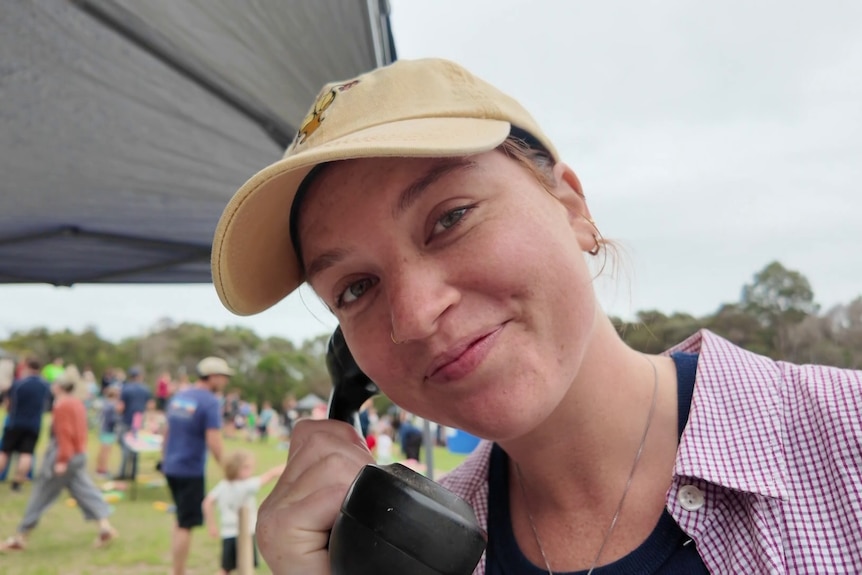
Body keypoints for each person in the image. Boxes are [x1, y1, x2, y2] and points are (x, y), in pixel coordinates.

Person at [208, 58, 862, 574]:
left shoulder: (846, 441)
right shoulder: (417, 553)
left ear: (572, 205)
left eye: (450, 217)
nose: (415, 313)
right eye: (354, 288)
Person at [0, 373, 118, 552]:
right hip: (78, 454)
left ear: (58, 387)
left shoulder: (62, 405)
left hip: (64, 455)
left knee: (41, 494)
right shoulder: (77, 403)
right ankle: (105, 527)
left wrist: (62, 459)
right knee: (85, 491)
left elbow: (64, 433)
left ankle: (20, 537)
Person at [161, 356, 232, 575]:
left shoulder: (180, 395)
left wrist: (164, 457)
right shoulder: (209, 401)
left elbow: (167, 431)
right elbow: (214, 441)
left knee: (181, 518)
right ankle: (178, 572)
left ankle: (178, 568)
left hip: (171, 466)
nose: (225, 382)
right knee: (186, 524)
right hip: (189, 469)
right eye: (223, 377)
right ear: (212, 376)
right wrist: (229, 469)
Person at [202, 449, 285, 575]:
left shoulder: (222, 485)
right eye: (246, 467)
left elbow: (207, 502)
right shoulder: (247, 486)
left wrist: (211, 525)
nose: (250, 470)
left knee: (227, 569)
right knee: (244, 568)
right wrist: (289, 466)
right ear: (234, 468)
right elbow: (270, 475)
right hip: (244, 534)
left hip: (228, 534)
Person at [0, 357, 51, 492]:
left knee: (5, 451)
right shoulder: (45, 385)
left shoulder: (18, 384)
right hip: (34, 424)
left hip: (15, 422)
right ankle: (17, 482)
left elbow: (8, 404)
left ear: (27, 367)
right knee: (27, 454)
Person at [115, 366, 151, 479]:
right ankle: (133, 473)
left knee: (125, 446)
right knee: (136, 447)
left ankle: (122, 473)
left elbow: (121, 407)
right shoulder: (146, 389)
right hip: (138, 421)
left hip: (126, 420)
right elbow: (150, 406)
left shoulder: (126, 389)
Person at [95, 384, 121, 479]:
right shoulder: (112, 405)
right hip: (108, 430)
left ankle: (99, 468)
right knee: (105, 451)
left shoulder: (105, 403)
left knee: (102, 451)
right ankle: (102, 470)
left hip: (103, 429)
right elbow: (112, 419)